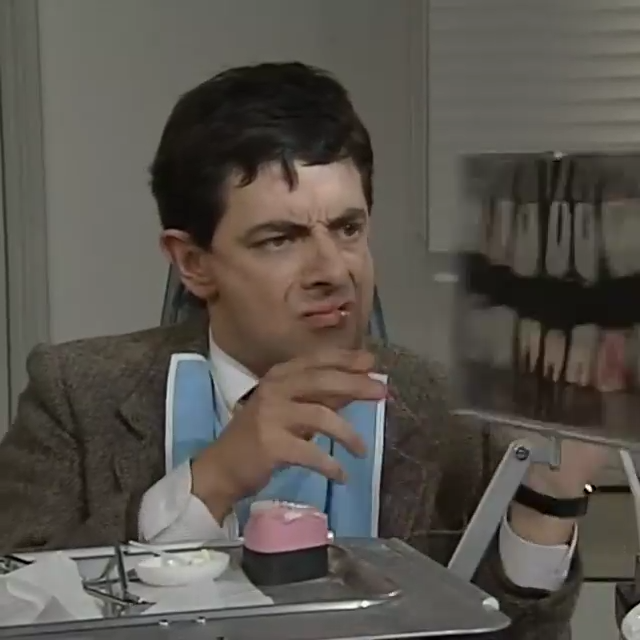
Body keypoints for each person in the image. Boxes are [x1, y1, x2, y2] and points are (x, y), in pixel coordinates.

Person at [0, 62, 608, 639]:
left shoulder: (452, 416)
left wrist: (548, 497)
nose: (333, 271)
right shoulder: (74, 396)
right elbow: (16, 608)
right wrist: (210, 482)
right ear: (193, 263)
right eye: (279, 239)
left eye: (348, 229)